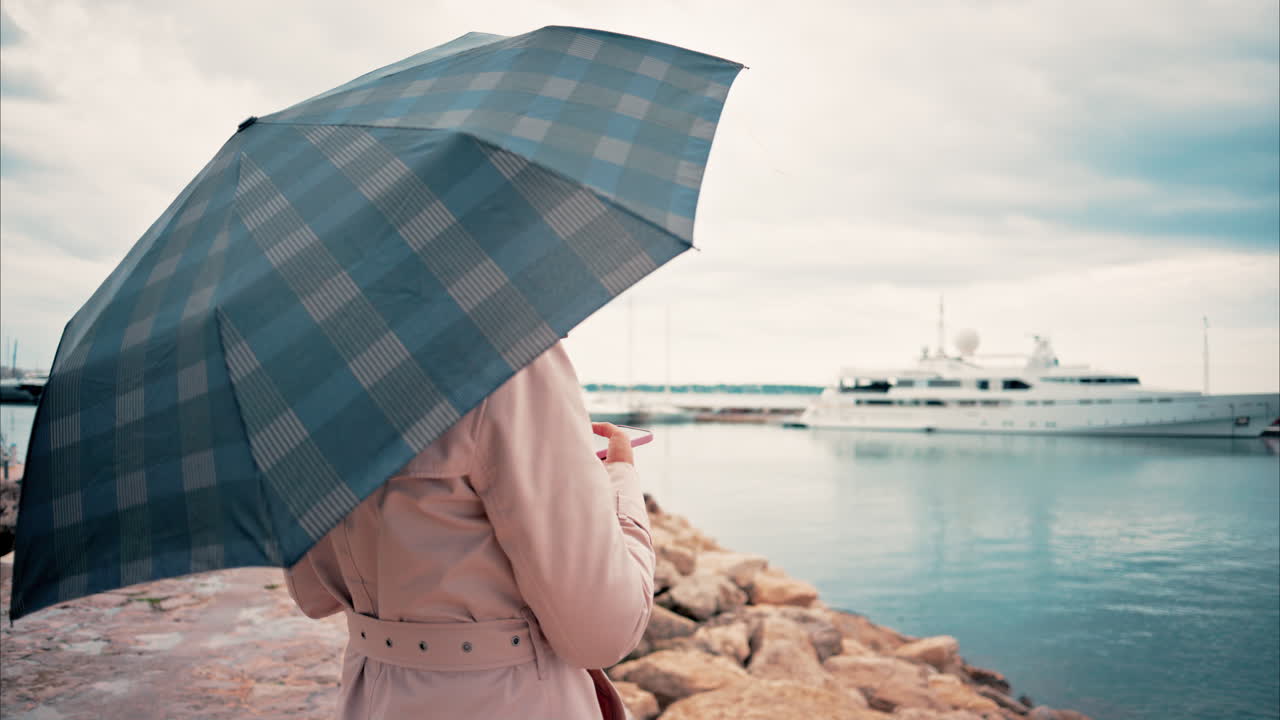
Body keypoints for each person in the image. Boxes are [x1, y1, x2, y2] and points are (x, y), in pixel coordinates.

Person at [283, 343, 654, 719]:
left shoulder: (302, 369)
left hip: (372, 696)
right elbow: (602, 631)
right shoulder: (507, 351)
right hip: (510, 699)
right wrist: (620, 479)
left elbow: (313, 595)